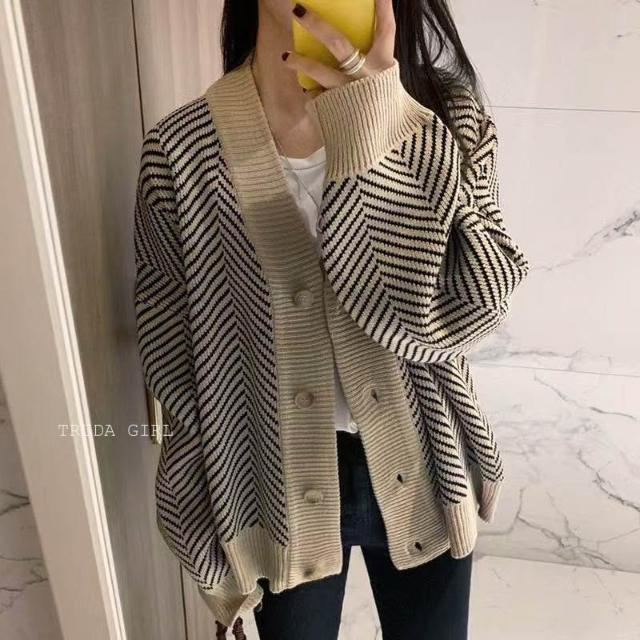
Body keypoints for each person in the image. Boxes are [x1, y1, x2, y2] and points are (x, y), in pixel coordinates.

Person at [133, 1, 530, 638]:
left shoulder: (446, 119)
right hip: (270, 491)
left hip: (426, 463)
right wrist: (202, 531)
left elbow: (473, 308)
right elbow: (173, 364)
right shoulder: (180, 153)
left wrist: (380, 128)